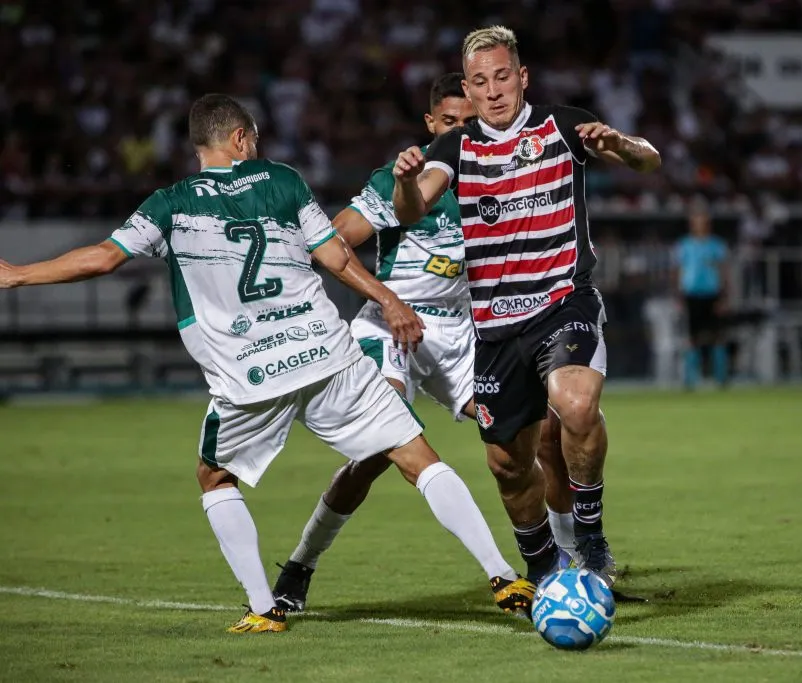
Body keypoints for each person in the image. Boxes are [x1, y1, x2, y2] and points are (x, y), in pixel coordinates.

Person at [0, 94, 536, 631]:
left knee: (214, 477)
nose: (256, 148)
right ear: (238, 139)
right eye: (252, 139)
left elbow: (102, 258)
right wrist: (388, 299)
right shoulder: (282, 181)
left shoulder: (170, 204)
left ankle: (264, 608)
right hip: (325, 351)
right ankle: (502, 572)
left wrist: (17, 275)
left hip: (249, 370)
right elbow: (334, 255)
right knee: (416, 454)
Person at [272, 74, 576, 612]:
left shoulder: (495, 174)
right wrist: (389, 300)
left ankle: (561, 560)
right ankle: (301, 565)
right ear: (432, 125)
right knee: (377, 456)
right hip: (392, 328)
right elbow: (334, 241)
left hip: (464, 333)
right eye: (452, 123)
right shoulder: (403, 180)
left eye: (471, 123)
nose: (463, 132)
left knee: (532, 438)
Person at [390, 26, 661, 587]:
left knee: (576, 404)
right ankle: (543, 569)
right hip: (494, 328)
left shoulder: (562, 126)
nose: (493, 91)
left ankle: (590, 540)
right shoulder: (456, 147)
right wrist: (405, 183)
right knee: (509, 466)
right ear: (469, 87)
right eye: (481, 82)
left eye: (503, 76)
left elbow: (649, 161)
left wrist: (622, 146)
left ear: (522, 77)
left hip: (564, 300)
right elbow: (413, 210)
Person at [675, 200, 730, 388]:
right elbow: (678, 271)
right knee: (692, 338)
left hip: (712, 294)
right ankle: (691, 379)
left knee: (717, 335)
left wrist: (724, 297)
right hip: (692, 294)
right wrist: (679, 295)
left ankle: (721, 378)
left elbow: (724, 272)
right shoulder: (684, 245)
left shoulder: (716, 245)